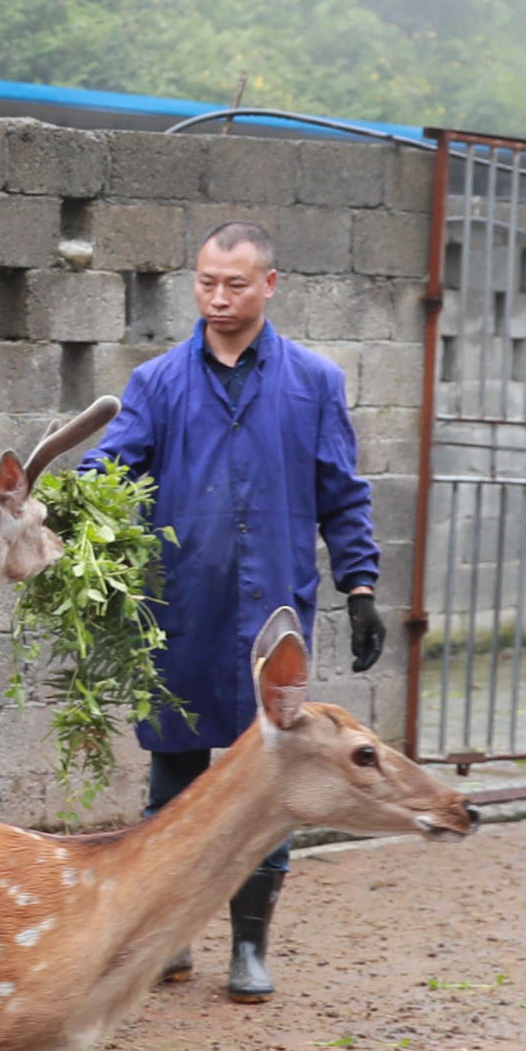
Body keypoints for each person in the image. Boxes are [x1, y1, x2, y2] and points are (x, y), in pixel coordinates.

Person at [87, 219, 382, 1001]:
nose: (218, 299)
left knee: (272, 784)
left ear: (270, 285)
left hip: (272, 617)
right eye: (207, 283)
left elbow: (342, 492)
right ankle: (173, 936)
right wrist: (73, 509)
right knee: (176, 783)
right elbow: (108, 469)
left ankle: (251, 945)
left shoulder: (312, 383)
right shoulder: (157, 384)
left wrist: (361, 588)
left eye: (235, 285)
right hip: (181, 607)